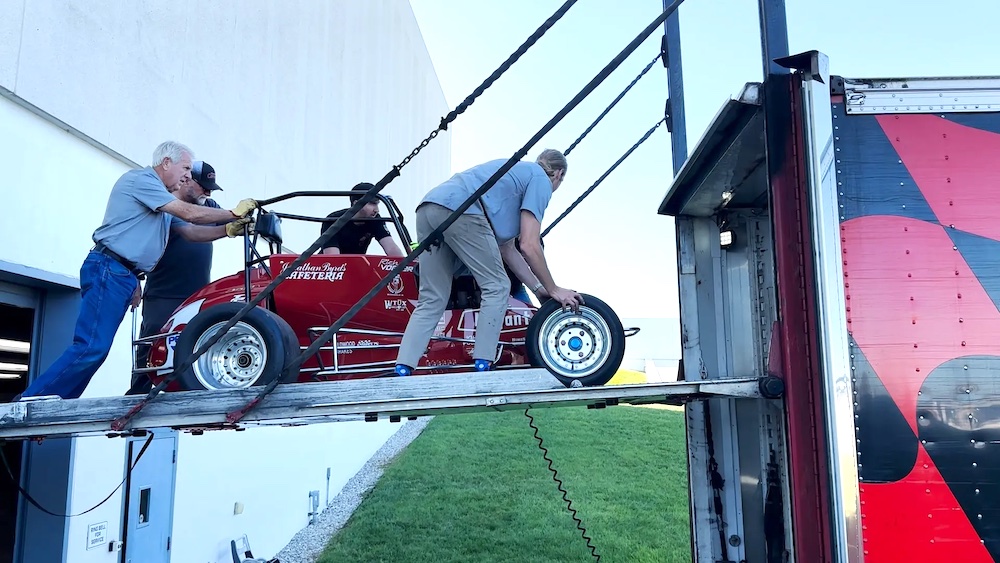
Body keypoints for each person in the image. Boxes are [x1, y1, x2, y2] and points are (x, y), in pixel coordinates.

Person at [19, 142, 258, 400]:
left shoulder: (162, 198)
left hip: (122, 273)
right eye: (186, 168)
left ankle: (52, 401)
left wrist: (227, 230)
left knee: (96, 349)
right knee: (91, 347)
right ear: (166, 162)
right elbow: (189, 214)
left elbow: (190, 231)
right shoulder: (142, 181)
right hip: (109, 268)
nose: (188, 175)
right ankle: (33, 401)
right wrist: (232, 213)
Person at [394, 149, 583, 376]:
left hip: (429, 207)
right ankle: (483, 362)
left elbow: (508, 249)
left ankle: (403, 367)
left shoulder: (515, 176)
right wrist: (555, 289)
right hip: (463, 209)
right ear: (559, 174)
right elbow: (530, 245)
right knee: (498, 286)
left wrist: (539, 290)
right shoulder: (541, 180)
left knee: (432, 297)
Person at [129, 161, 229, 394]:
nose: (208, 192)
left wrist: (249, 217)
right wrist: (134, 278)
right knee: (151, 350)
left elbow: (234, 219)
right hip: (163, 294)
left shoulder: (210, 205)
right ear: (186, 179)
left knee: (191, 349)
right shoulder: (166, 207)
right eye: (204, 186)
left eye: (211, 188)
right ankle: (135, 402)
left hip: (197, 296)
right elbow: (191, 231)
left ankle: (188, 401)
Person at [319, 183, 404, 256]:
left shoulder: (375, 219)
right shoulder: (333, 220)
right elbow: (333, 259)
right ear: (357, 204)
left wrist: (406, 267)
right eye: (372, 203)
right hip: (328, 272)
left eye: (377, 204)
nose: (377, 210)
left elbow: (391, 247)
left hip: (357, 267)